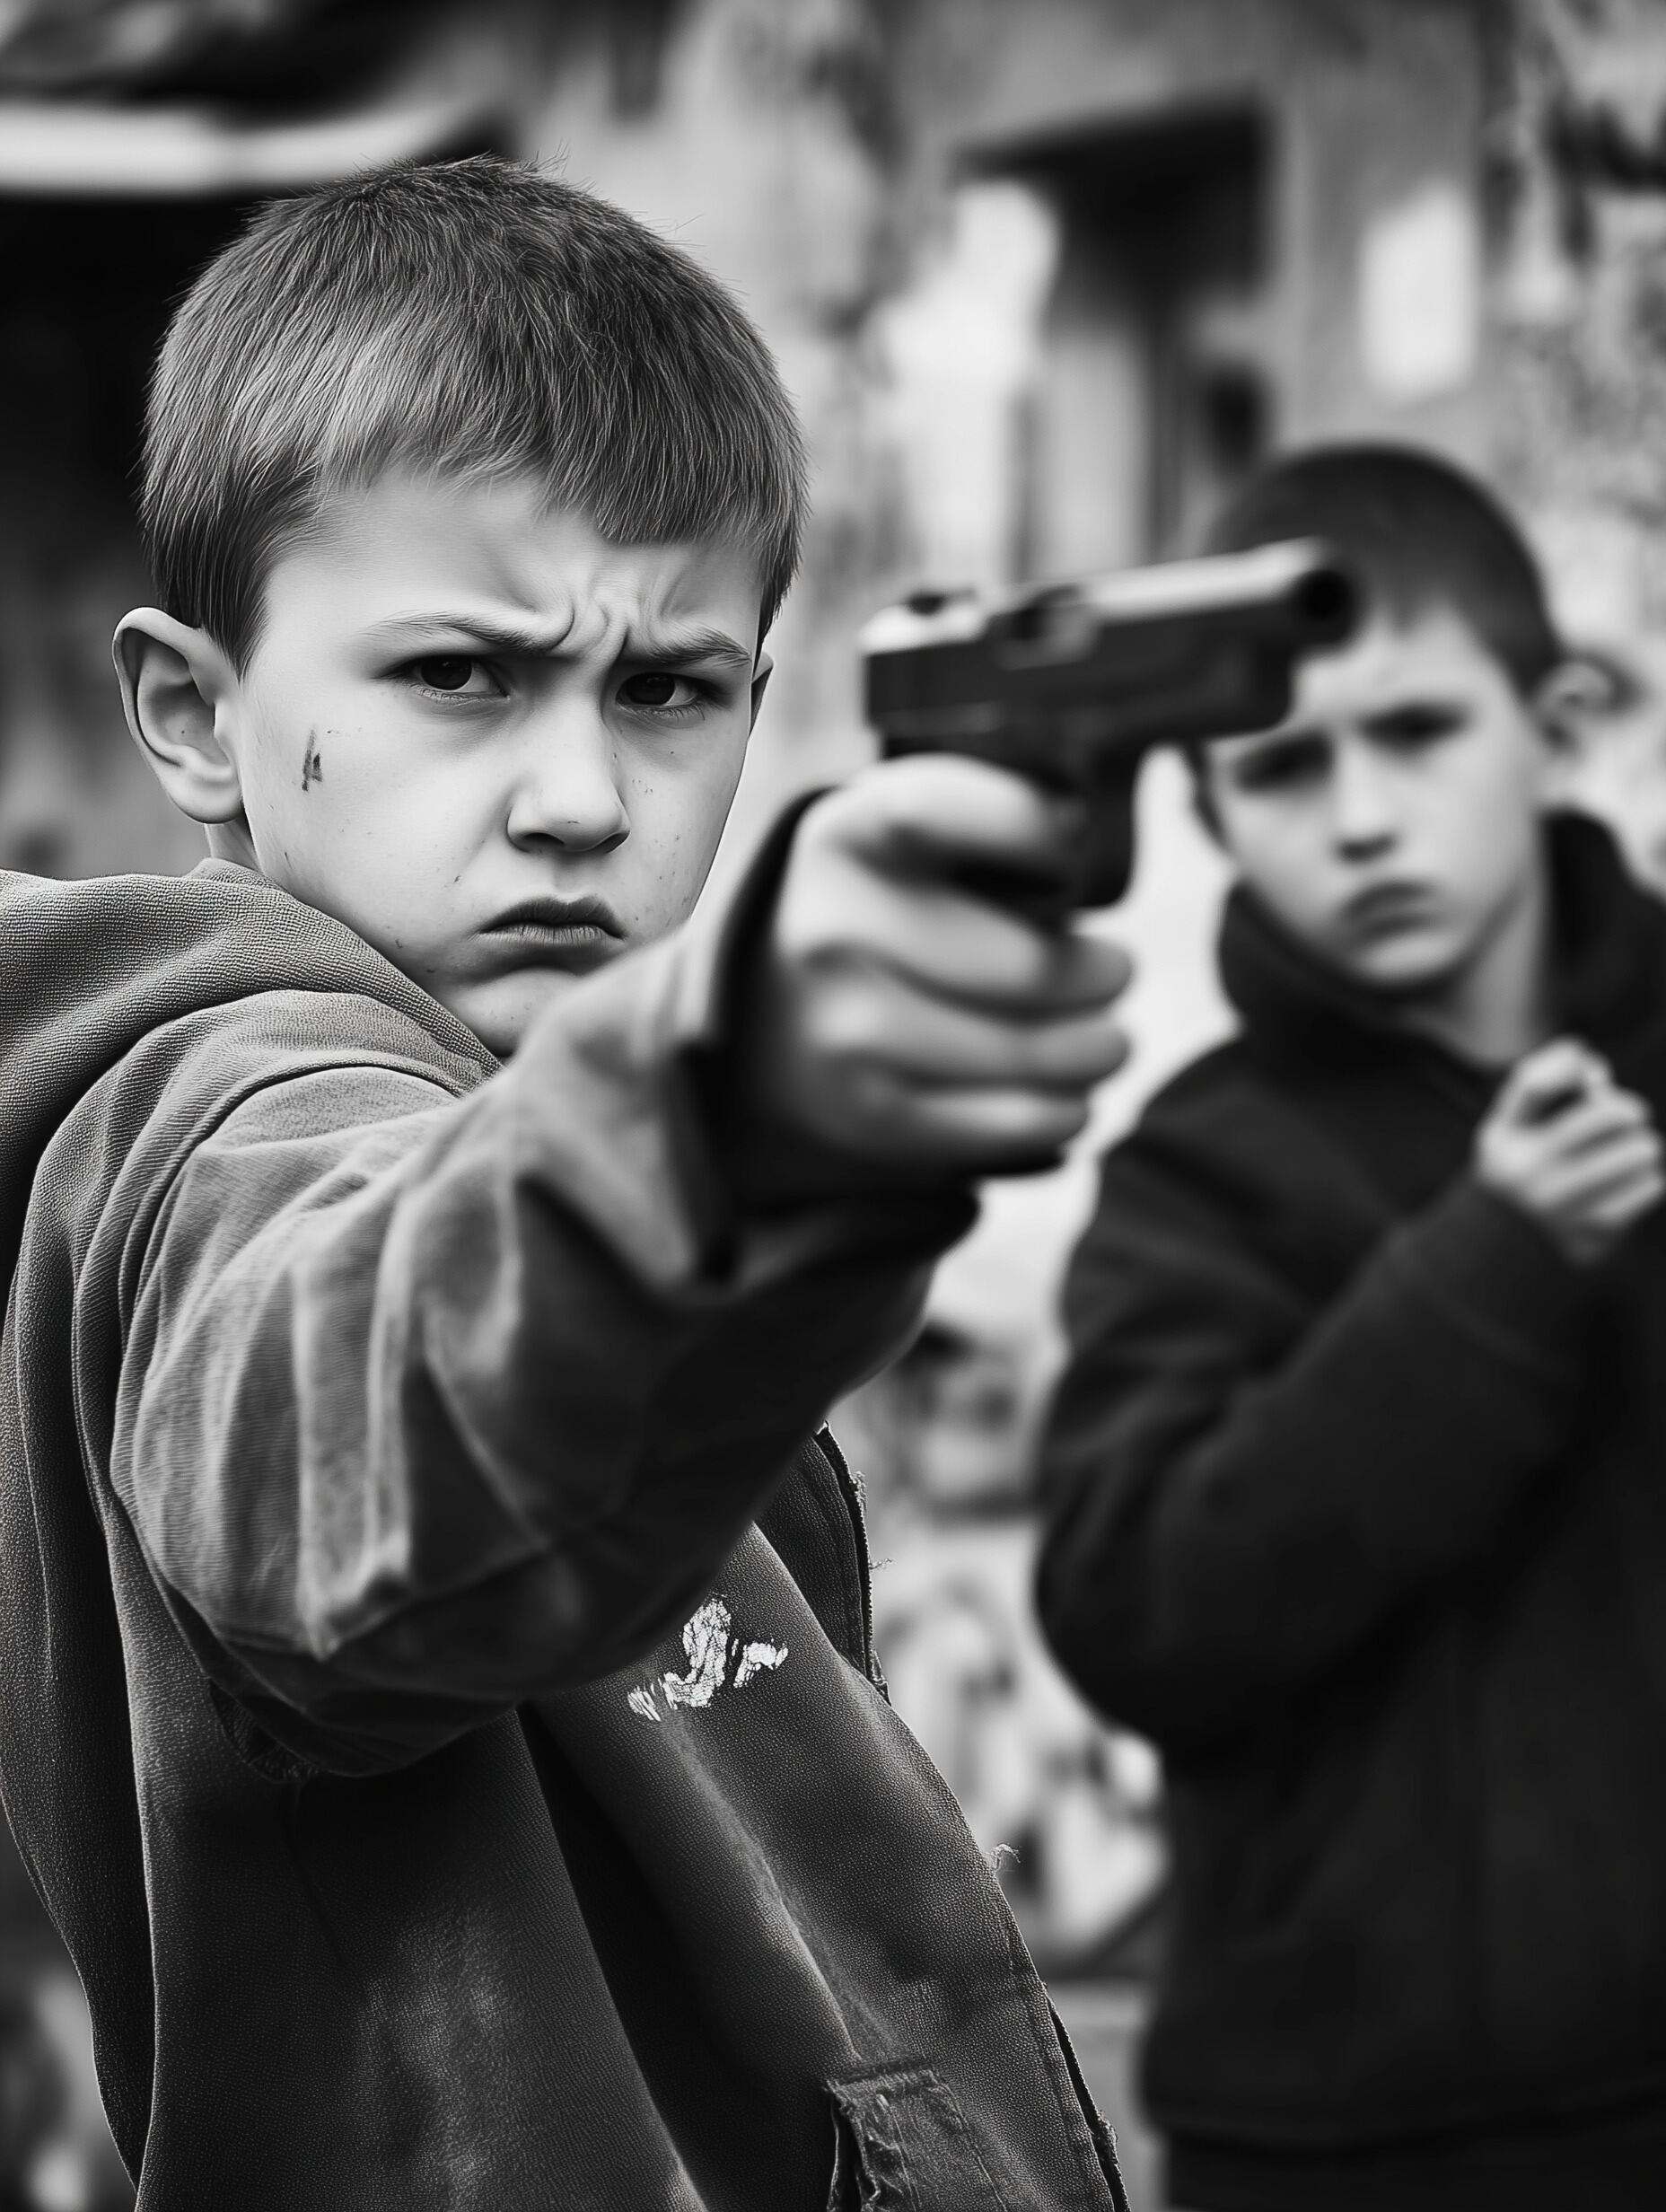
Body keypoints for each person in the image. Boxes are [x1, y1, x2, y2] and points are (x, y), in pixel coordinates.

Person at [0, 157, 1134, 2209]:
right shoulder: (238, 1117)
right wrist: (732, 1128)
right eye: (460, 674)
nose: (578, 799)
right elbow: (340, 1435)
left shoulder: (478, 1092)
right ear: (194, 713)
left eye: (665, 689)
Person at [1037, 442, 1666, 2212]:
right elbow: (1141, 1610)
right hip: (1342, 2138)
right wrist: (1488, 1269)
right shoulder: (1200, 1172)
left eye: (1414, 732)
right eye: (1285, 765)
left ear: (1555, 719)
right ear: (1210, 810)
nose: (1362, 816)